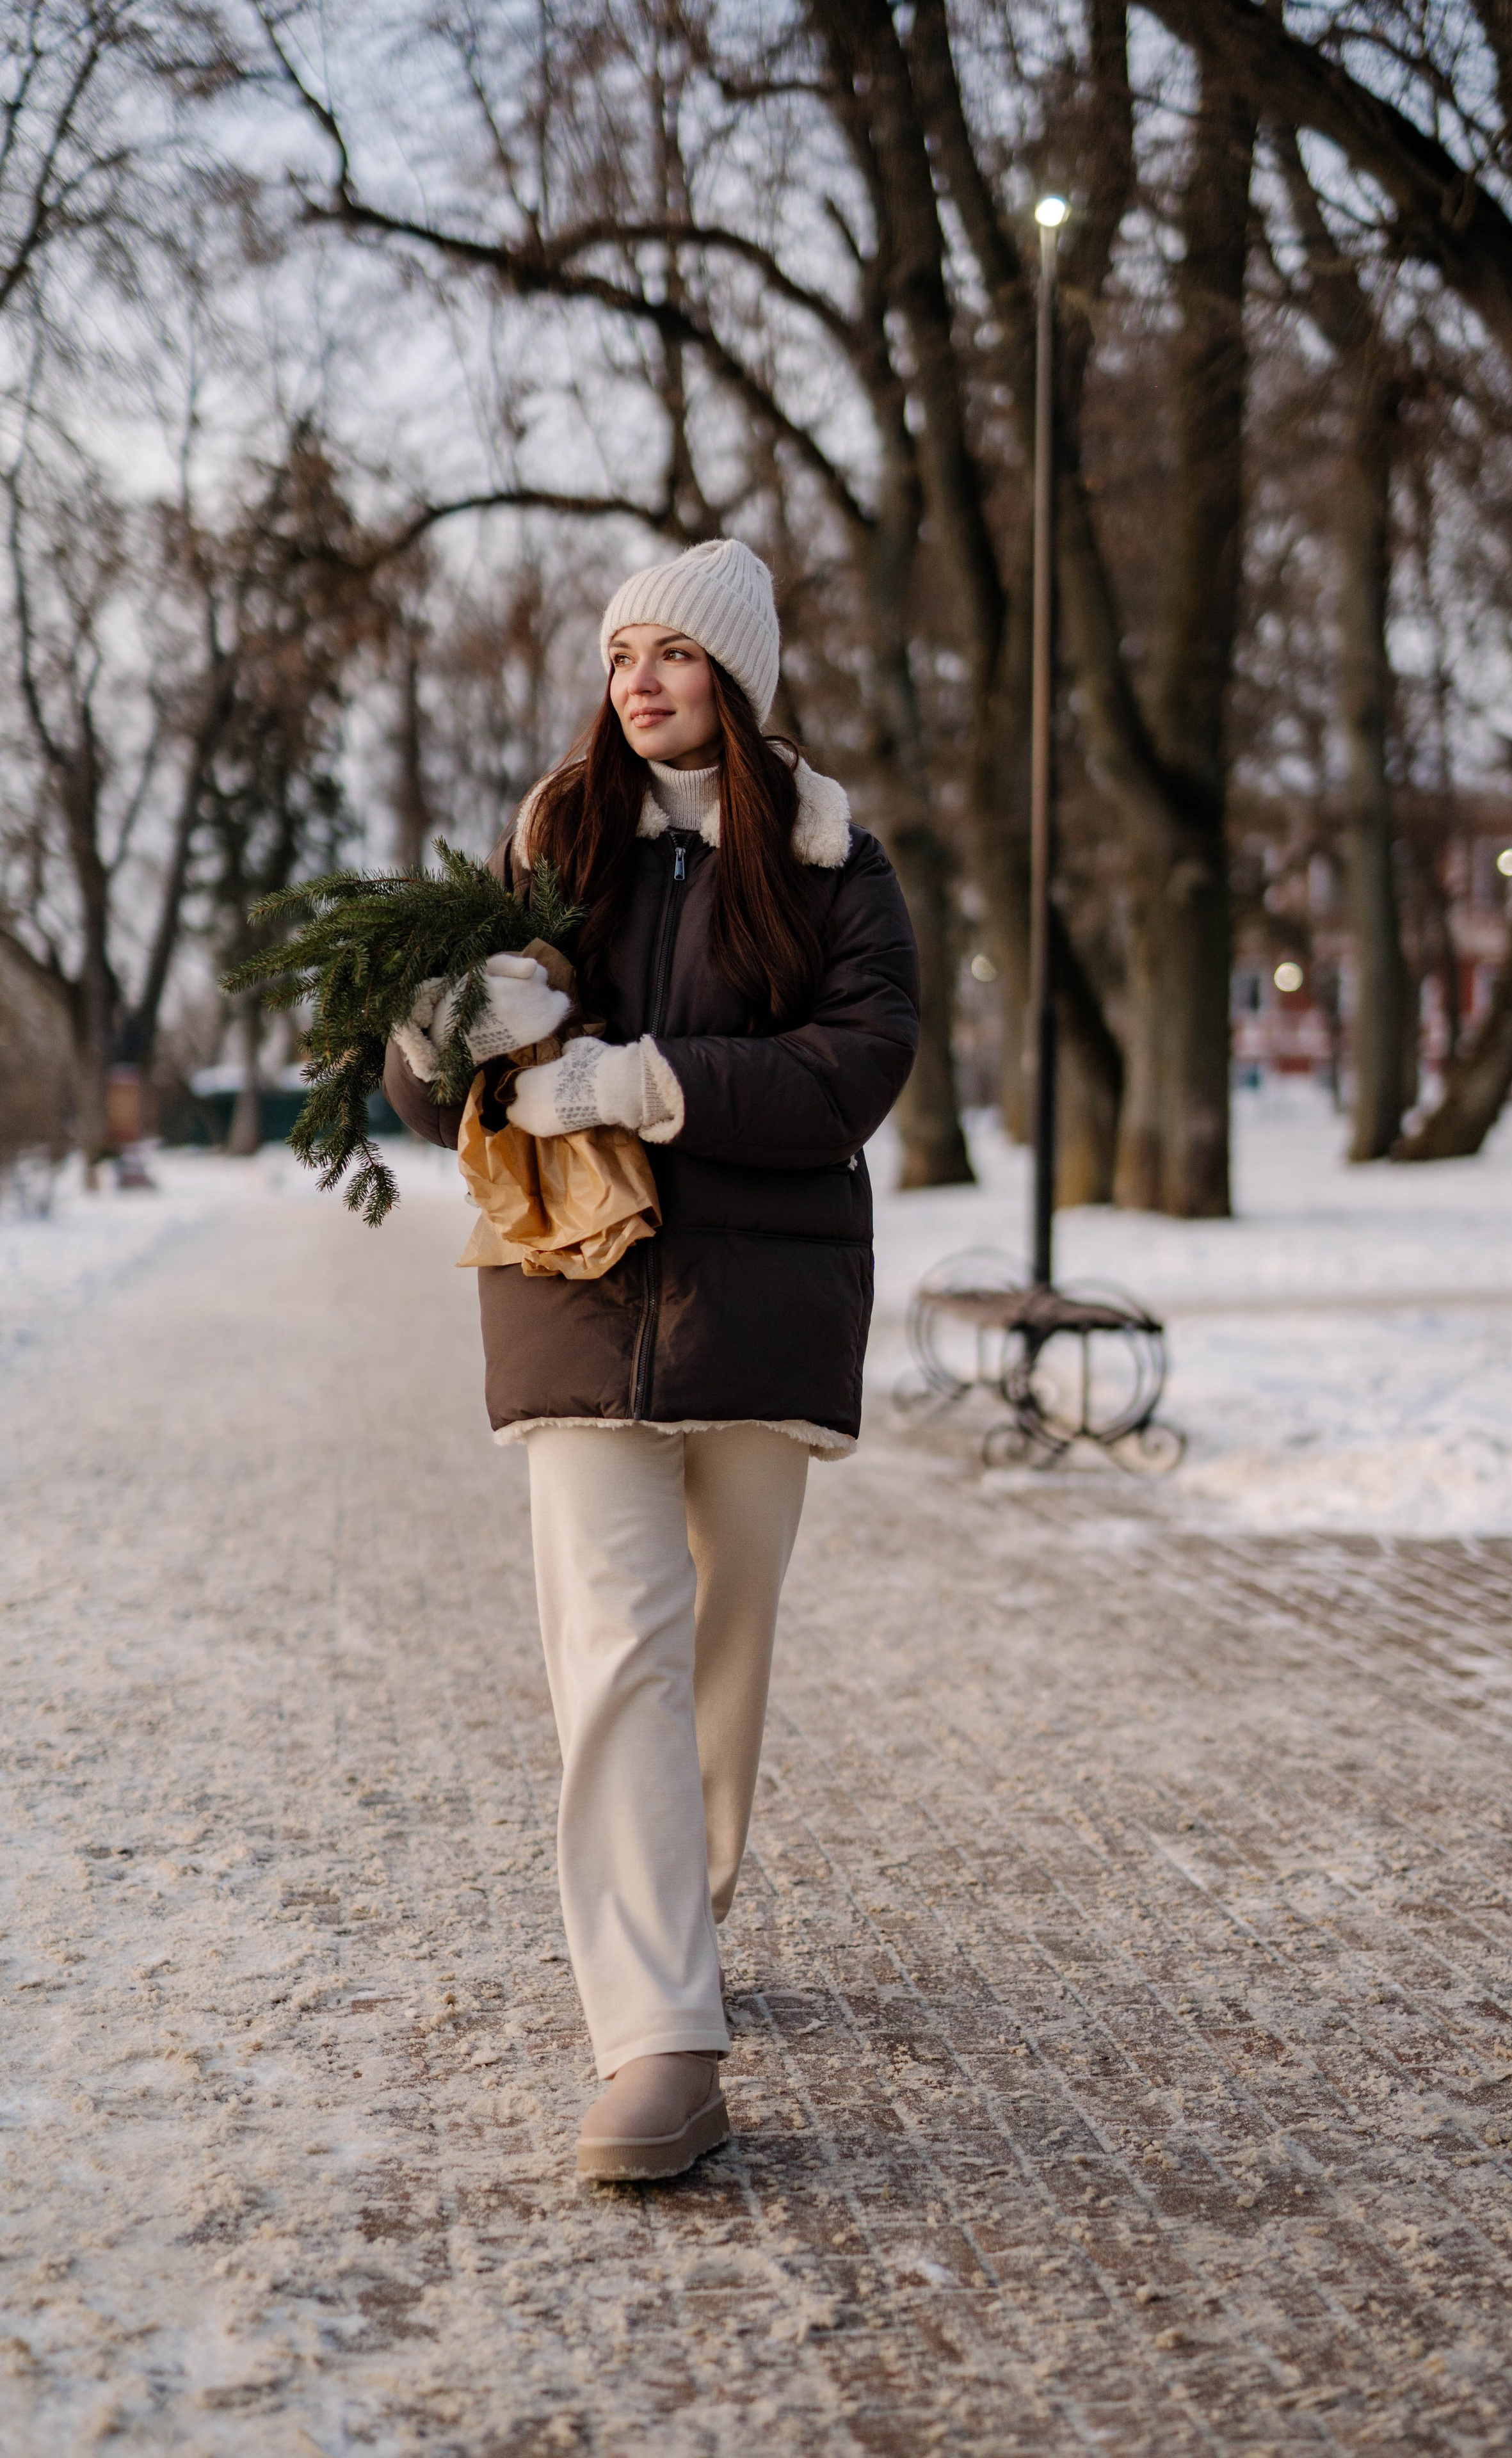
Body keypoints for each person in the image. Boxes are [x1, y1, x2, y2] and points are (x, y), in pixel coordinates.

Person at [383, 538, 919, 2180]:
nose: (640, 678)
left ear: (733, 680)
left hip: (763, 1311)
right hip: (577, 1293)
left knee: (720, 1649)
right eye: (622, 654)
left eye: (673, 653)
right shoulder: (553, 842)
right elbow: (429, 1093)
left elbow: (856, 1066)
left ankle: (688, 1903)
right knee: (614, 1647)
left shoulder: (829, 860)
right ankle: (659, 2038)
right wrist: (441, 1032)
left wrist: (643, 1082)